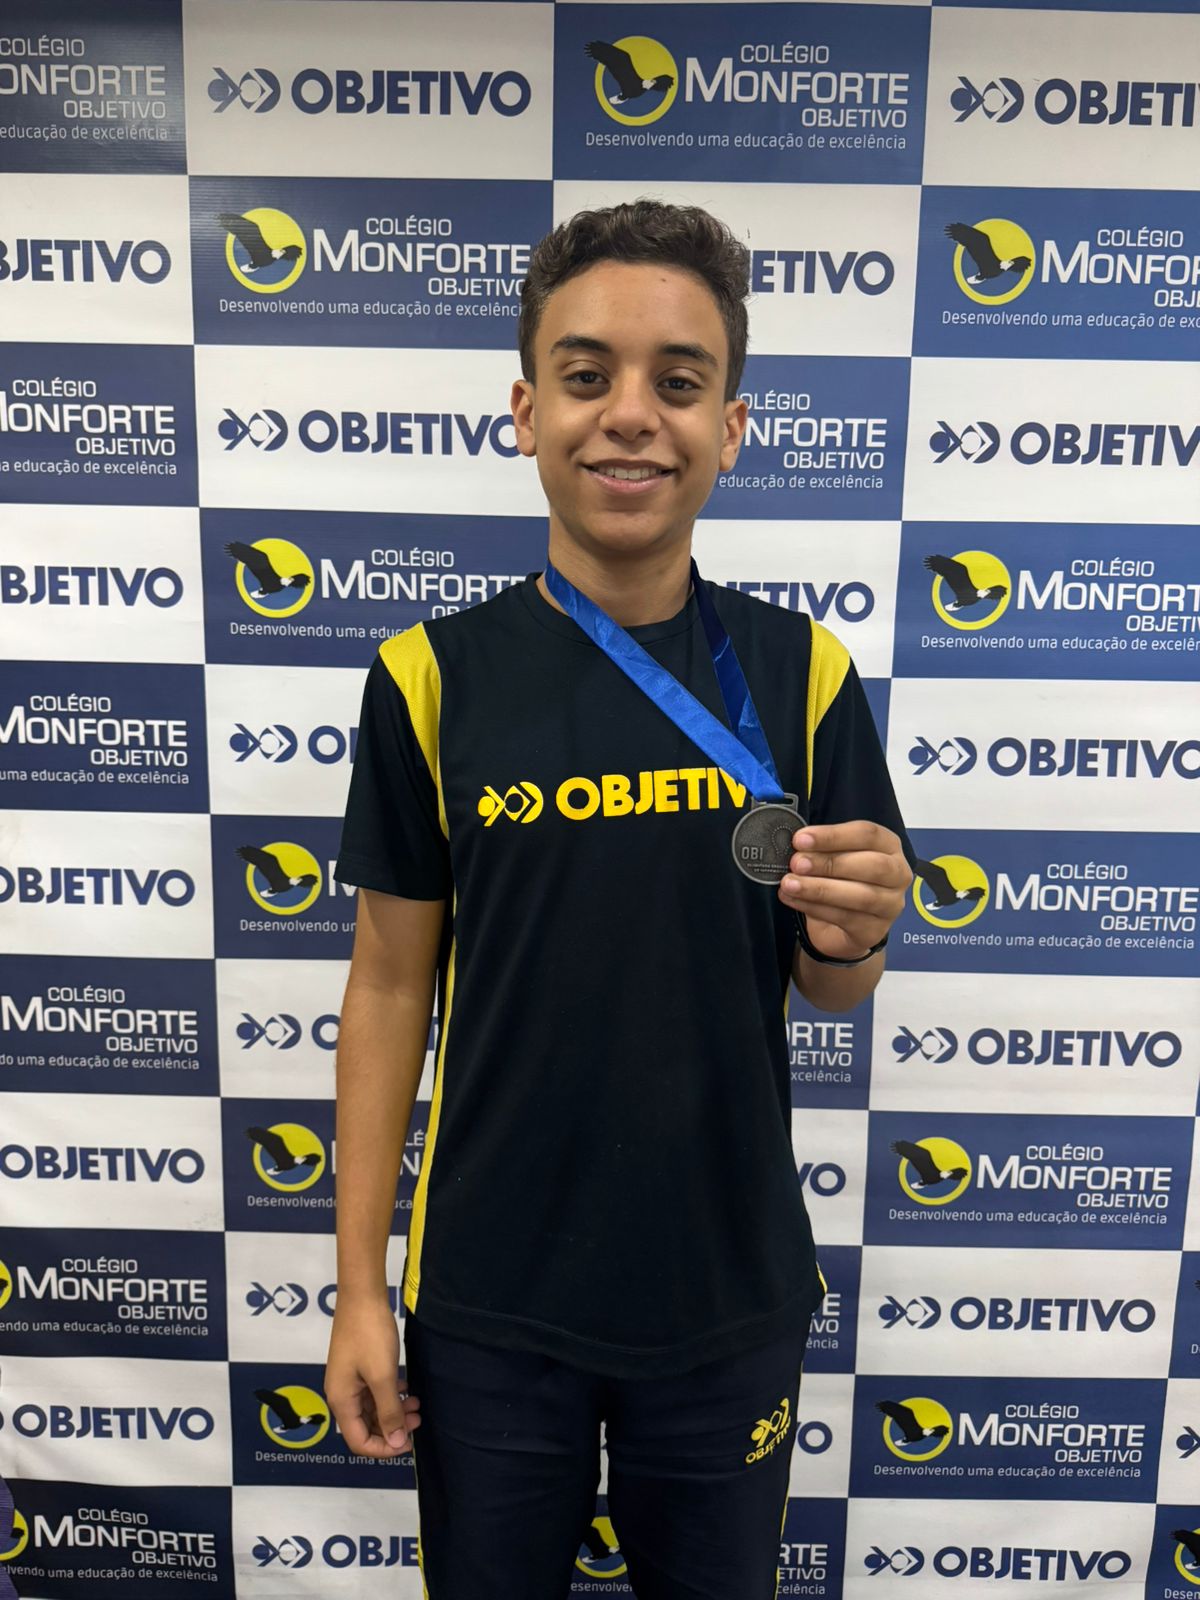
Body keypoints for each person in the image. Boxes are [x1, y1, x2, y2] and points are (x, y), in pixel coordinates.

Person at [324, 199, 915, 1599]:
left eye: (679, 381)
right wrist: (357, 1289)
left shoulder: (804, 674)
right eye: (587, 375)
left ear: (732, 425)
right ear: (527, 412)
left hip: (725, 1294)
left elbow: (831, 982)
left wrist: (859, 933)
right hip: (489, 1300)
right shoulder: (428, 677)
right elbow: (389, 985)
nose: (632, 415)